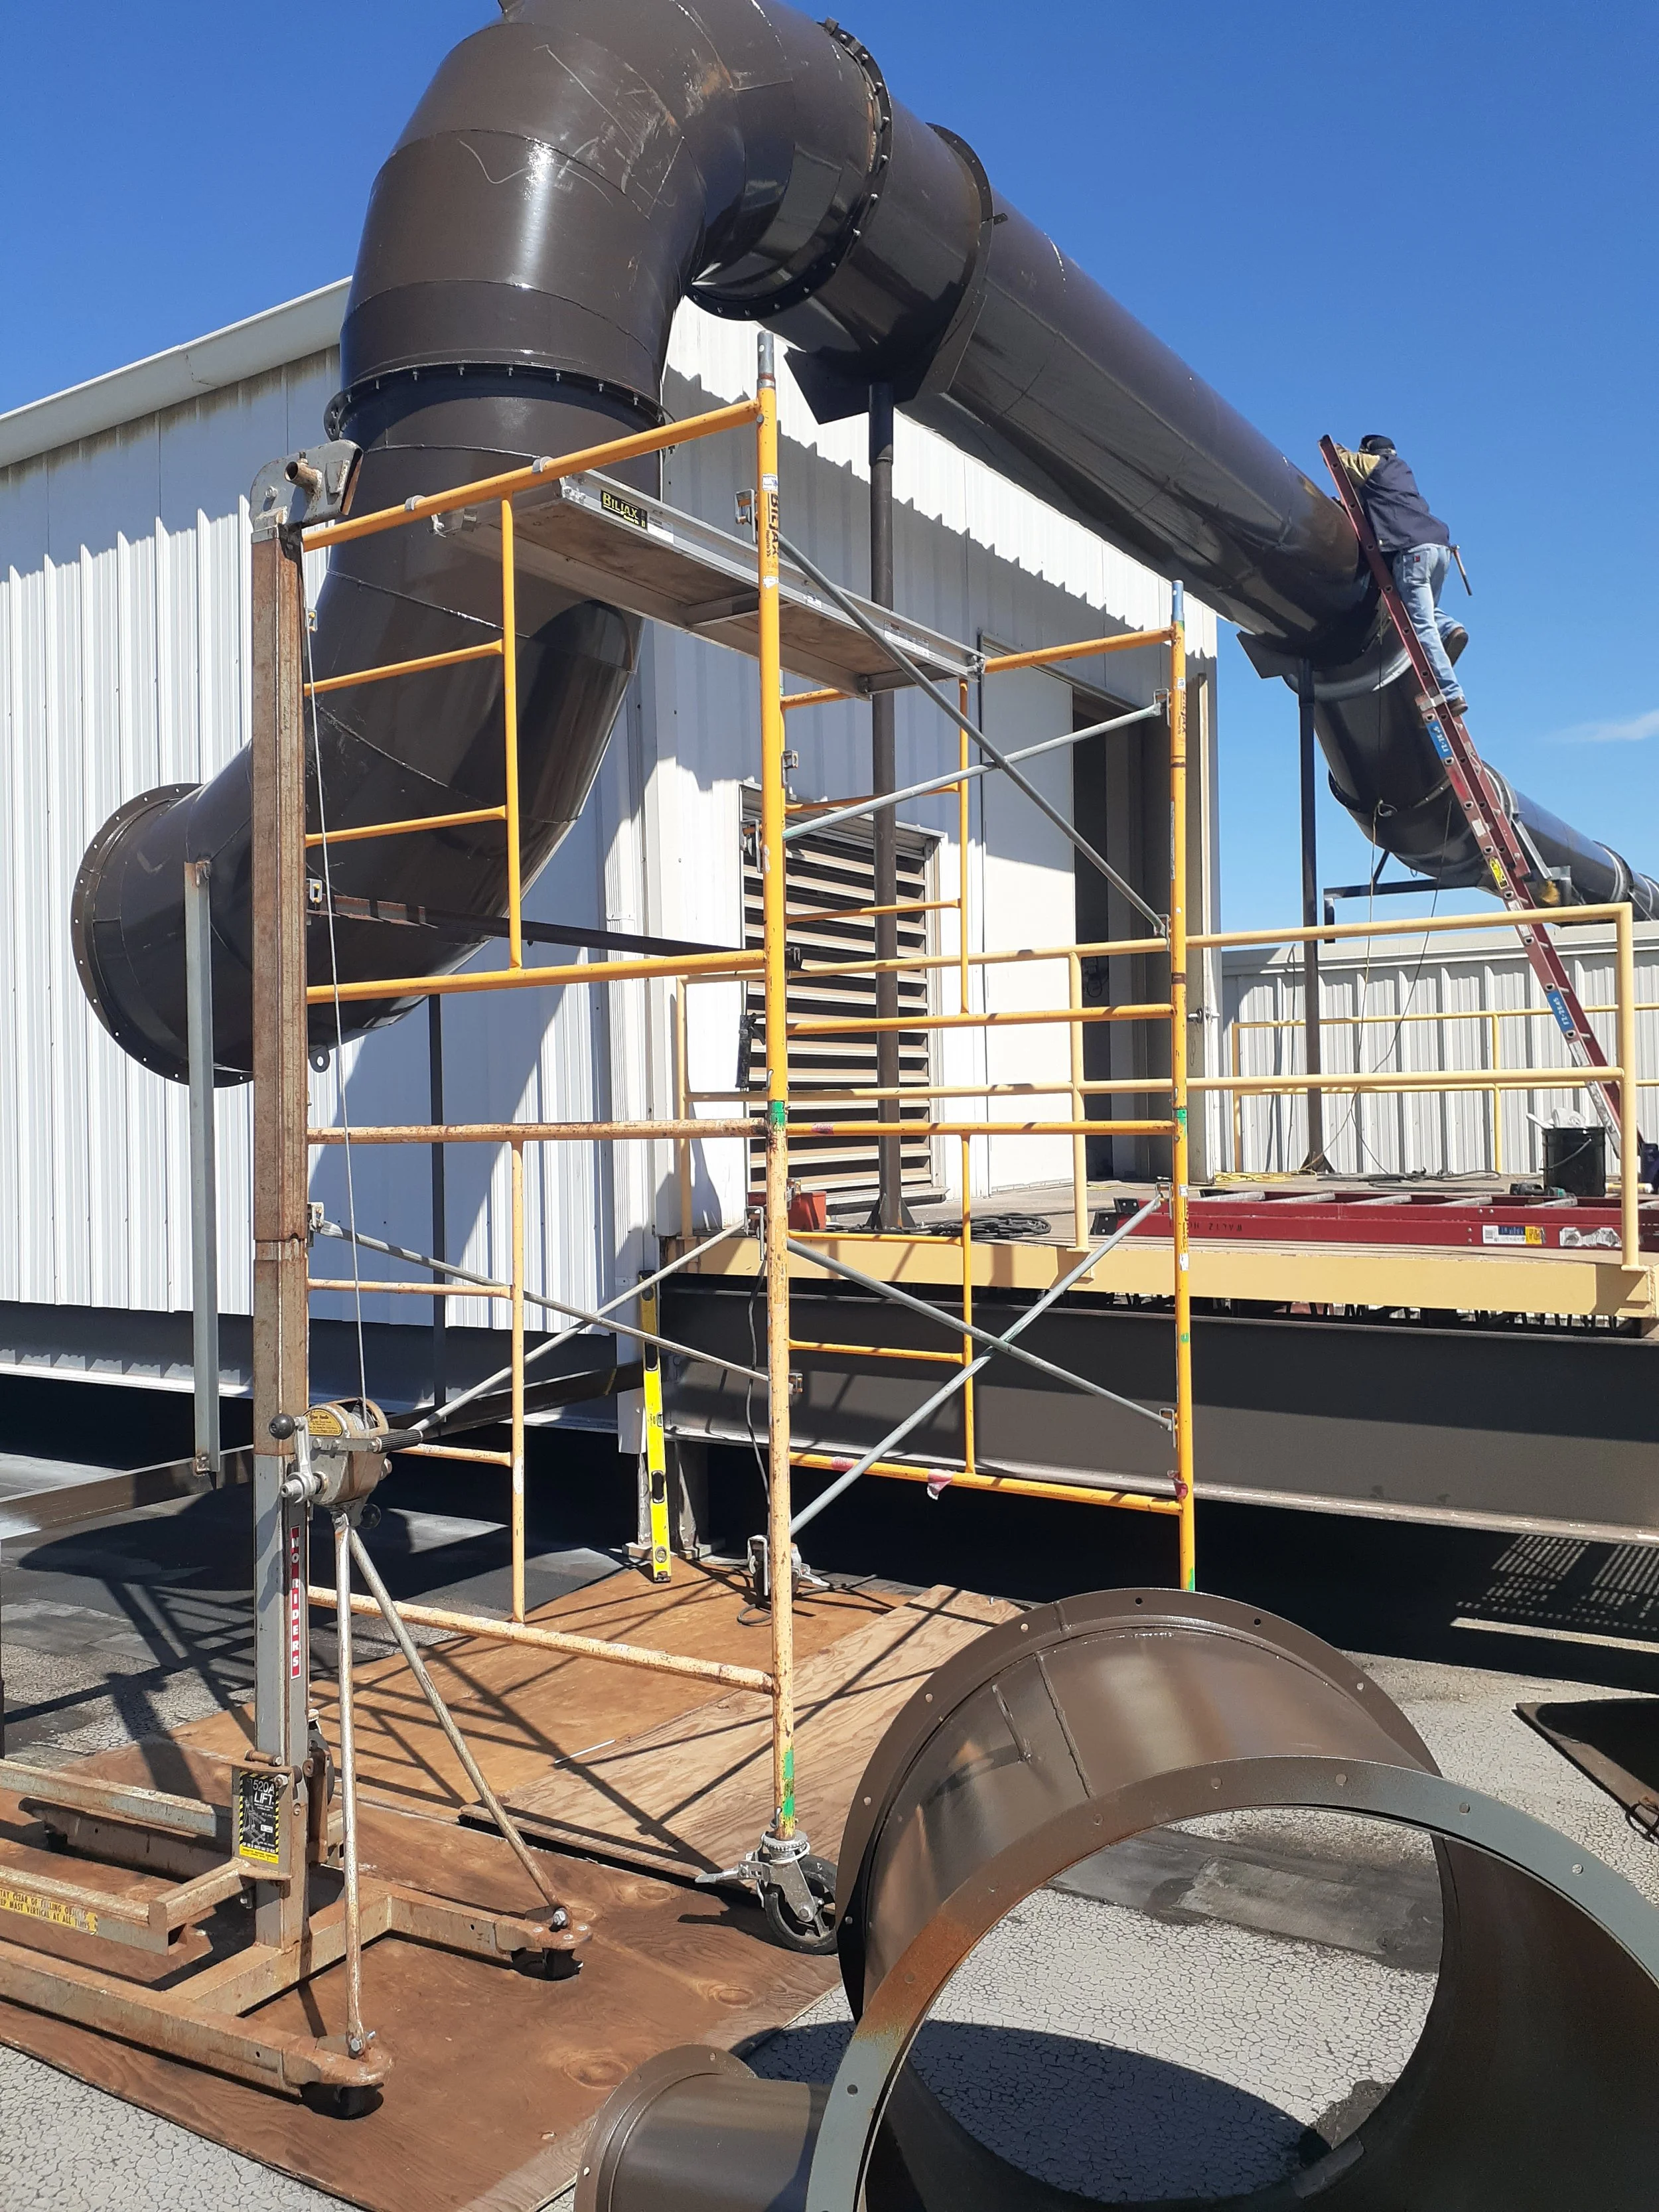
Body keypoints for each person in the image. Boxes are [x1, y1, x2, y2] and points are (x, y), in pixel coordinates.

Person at [1336, 435, 1469, 715]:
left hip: (1412, 552)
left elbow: (1342, 460)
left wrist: (1333, 446)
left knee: (1420, 625)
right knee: (1424, 612)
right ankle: (1451, 629)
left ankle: (1450, 692)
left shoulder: (1374, 465)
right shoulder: (1401, 472)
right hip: (1438, 548)